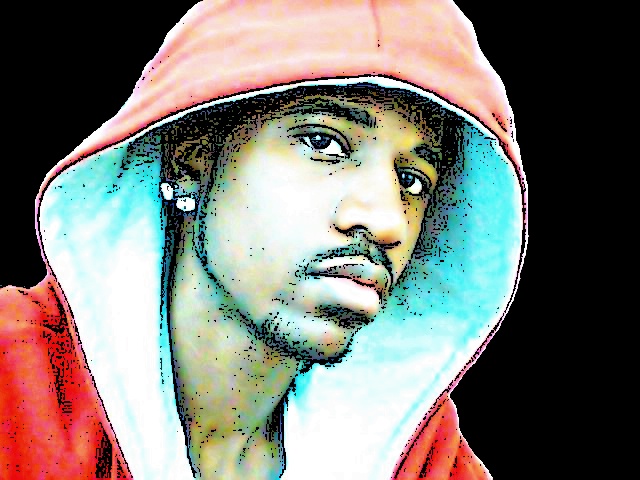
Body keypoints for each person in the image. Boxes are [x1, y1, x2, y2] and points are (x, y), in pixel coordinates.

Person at [0, 1, 527, 478]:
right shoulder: (11, 382)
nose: (387, 221)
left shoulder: (425, 461)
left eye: (412, 180)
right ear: (192, 156)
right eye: (324, 143)